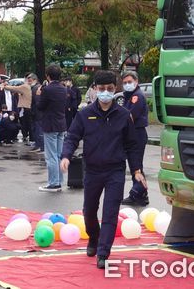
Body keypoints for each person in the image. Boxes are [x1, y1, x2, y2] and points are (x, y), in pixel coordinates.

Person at [60, 70, 145, 269]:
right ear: (95, 89)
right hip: (92, 171)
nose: (105, 92)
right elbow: (72, 136)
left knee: (110, 213)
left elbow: (132, 145)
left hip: (115, 171)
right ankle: (94, 238)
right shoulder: (85, 114)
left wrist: (136, 170)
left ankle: (103, 252)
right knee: (89, 211)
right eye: (101, 89)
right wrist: (65, 155)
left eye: (109, 89)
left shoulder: (123, 115)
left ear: (114, 89)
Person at [120, 71, 150, 206]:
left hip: (136, 134)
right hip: (134, 134)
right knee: (136, 165)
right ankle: (141, 195)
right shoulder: (130, 96)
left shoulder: (136, 97)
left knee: (136, 165)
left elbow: (130, 117)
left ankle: (137, 194)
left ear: (136, 82)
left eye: (129, 82)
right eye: (124, 83)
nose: (127, 85)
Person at [37, 65, 68, 192]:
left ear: (47, 76)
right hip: (61, 124)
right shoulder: (63, 88)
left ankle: (53, 183)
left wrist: (38, 95)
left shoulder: (47, 90)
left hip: (50, 125)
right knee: (59, 154)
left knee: (51, 156)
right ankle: (59, 181)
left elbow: (40, 106)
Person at [3, 76, 32, 142]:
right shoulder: (13, 92)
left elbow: (15, 101)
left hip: (21, 109)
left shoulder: (23, 89)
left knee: (24, 124)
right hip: (10, 109)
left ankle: (25, 136)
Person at [29, 74, 44, 153]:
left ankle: (40, 146)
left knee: (38, 130)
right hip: (37, 112)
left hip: (37, 112)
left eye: (30, 80)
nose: (28, 82)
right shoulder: (37, 87)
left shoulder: (36, 88)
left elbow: (36, 101)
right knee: (36, 129)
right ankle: (38, 145)